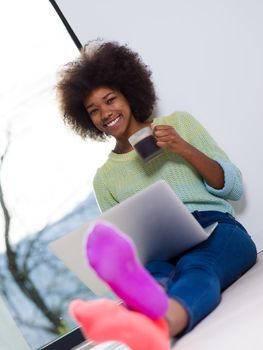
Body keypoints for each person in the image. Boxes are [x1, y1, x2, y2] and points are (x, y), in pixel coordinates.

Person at [56, 40, 257, 349]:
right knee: (154, 275)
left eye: (110, 100)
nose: (105, 114)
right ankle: (135, 307)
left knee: (197, 268)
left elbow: (233, 187)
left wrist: (182, 148)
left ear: (129, 93)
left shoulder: (178, 124)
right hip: (160, 251)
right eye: (94, 111)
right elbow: (125, 239)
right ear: (87, 120)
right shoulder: (104, 178)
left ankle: (163, 325)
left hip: (217, 228)